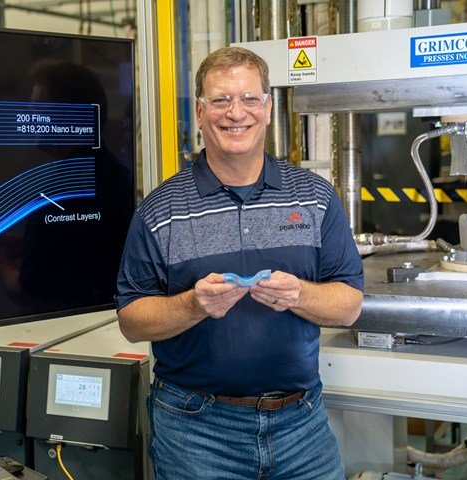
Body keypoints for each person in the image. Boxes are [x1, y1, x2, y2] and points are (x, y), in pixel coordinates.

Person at [115, 47, 364, 479]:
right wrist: (193, 305)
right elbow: (132, 320)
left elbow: (348, 305)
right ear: (199, 111)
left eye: (250, 99)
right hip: (196, 433)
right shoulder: (159, 211)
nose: (236, 113)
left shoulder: (314, 197)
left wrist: (300, 294)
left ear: (267, 109)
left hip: (301, 427)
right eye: (221, 100)